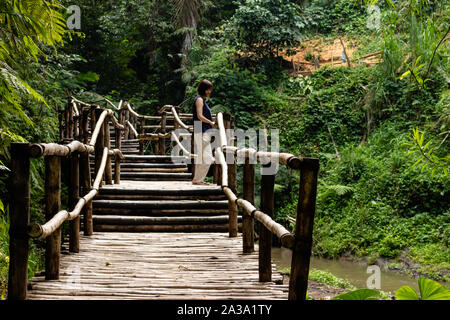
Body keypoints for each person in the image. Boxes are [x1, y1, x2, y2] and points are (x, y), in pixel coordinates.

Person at [192, 79, 216, 185]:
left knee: (204, 157)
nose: (209, 92)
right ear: (204, 89)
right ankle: (198, 180)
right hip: (201, 130)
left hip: (202, 130)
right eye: (208, 89)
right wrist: (211, 122)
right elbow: (199, 116)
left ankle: (197, 180)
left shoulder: (202, 100)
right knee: (207, 158)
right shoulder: (199, 100)